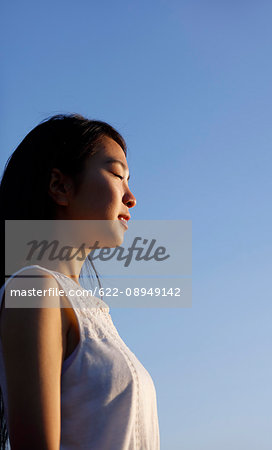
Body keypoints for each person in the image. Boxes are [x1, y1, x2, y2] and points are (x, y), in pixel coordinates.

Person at [0, 114, 160, 449]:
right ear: (60, 186)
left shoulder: (89, 308)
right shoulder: (34, 288)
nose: (131, 197)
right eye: (118, 174)